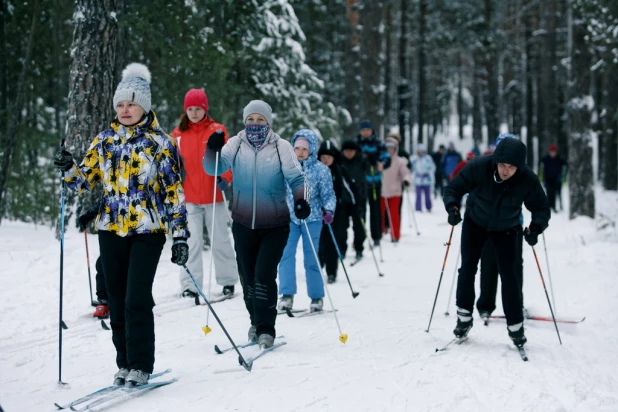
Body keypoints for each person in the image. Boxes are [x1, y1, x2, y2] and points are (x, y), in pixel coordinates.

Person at [53, 63, 190, 387]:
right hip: (111, 227)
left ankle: (141, 364)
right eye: (120, 104)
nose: (125, 110)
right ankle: (124, 363)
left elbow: (174, 192)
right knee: (115, 299)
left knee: (135, 297)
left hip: (148, 229)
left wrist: (180, 235)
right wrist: (68, 166)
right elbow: (82, 182)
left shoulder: (160, 143)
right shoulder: (104, 141)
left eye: (131, 103)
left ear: (144, 105)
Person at [203, 100, 308, 348]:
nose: (255, 124)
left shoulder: (281, 146)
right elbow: (212, 168)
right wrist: (212, 149)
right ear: (244, 121)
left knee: (263, 275)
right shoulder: (236, 144)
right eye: (251, 119)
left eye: (260, 120)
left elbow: (296, 178)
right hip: (242, 223)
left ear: (268, 122)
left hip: (275, 225)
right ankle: (255, 321)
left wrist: (301, 200)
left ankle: (266, 328)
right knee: (248, 279)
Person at [443, 137, 550, 348]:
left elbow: (541, 208)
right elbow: (453, 188)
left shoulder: (527, 179)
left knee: (510, 275)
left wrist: (535, 228)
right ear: (496, 160)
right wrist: (452, 208)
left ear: (519, 166)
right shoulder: (480, 167)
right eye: (502, 165)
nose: (505, 170)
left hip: (507, 228)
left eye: (511, 167)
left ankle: (515, 326)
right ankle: (464, 318)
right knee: (468, 269)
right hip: (476, 222)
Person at [172, 89, 238, 299]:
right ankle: (190, 285)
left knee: (220, 240)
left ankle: (227, 281)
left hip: (214, 195)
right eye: (190, 109)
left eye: (197, 109)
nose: (193, 112)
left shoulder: (217, 130)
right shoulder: (178, 134)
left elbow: (227, 158)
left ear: (205, 109)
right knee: (192, 242)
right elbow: (173, 164)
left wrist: (225, 178)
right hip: (190, 197)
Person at [278, 130, 336, 312]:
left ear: (311, 149)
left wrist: (329, 210)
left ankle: (316, 297)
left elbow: (328, 195)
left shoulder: (321, 170)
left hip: (313, 219)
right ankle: (287, 294)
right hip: (290, 219)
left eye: (304, 148)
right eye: (297, 148)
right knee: (286, 255)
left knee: (311, 258)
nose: (301, 152)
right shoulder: (286, 168)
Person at [476, 134, 526, 321]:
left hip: (513, 225)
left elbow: (530, 193)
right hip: (488, 225)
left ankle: (516, 304)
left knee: (514, 267)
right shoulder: (486, 169)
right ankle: (485, 306)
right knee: (488, 263)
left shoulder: (521, 171)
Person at [317, 139, 358, 283]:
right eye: (323, 157)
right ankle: (318, 263)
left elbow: (350, 190)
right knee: (319, 240)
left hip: (336, 212)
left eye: (329, 157)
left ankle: (331, 271)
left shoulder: (339, 170)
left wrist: (353, 207)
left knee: (331, 241)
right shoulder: (315, 170)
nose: (326, 160)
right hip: (317, 212)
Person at [354, 120, 391, 246]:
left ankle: (376, 236)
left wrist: (382, 164)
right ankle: (361, 238)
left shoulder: (378, 142)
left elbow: (386, 158)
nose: (365, 133)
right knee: (361, 210)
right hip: (360, 182)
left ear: (371, 131)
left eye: (367, 130)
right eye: (363, 130)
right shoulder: (356, 143)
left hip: (374, 181)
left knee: (375, 210)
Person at [77, 206, 110, 319]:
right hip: (110, 229)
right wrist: (88, 215)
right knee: (102, 264)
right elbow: (104, 200)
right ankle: (103, 301)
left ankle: (125, 300)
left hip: (131, 231)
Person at [340, 140, 370, 260]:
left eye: (351, 151)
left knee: (359, 226)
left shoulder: (362, 160)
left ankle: (359, 248)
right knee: (341, 227)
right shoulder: (339, 161)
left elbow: (367, 178)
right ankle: (342, 249)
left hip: (359, 198)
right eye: (346, 151)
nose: (349, 153)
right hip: (343, 198)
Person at [380, 137, 411, 242]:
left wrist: (406, 180)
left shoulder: (399, 161)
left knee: (394, 214)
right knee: (380, 213)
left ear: (396, 149)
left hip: (395, 191)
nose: (389, 150)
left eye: (392, 148)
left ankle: (395, 235)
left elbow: (405, 172)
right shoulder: (380, 160)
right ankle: (380, 232)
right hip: (382, 191)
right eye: (387, 148)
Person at [540, 144, 568, 213]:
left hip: (557, 179)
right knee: (549, 193)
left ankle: (558, 207)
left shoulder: (559, 159)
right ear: (549, 152)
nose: (553, 153)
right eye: (551, 151)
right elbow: (541, 167)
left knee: (557, 193)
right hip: (548, 179)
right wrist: (541, 177)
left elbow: (565, 166)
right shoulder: (545, 159)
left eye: (554, 151)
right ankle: (550, 206)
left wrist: (563, 177)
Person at [411, 143, 436, 212]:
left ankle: (428, 207)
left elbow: (433, 167)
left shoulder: (428, 158)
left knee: (427, 195)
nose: (420, 152)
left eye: (421, 150)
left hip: (426, 179)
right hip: (418, 180)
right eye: (419, 150)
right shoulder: (414, 158)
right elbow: (411, 168)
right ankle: (418, 208)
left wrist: (429, 173)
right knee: (418, 195)